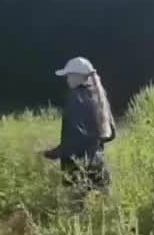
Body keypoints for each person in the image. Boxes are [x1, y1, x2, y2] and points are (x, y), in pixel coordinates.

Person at [42, 56, 116, 210]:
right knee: (108, 211)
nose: (67, 79)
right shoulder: (98, 95)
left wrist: (52, 153)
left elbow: (73, 141)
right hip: (97, 163)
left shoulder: (75, 98)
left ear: (78, 76)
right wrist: (93, 145)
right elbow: (110, 134)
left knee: (76, 212)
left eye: (69, 75)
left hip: (78, 167)